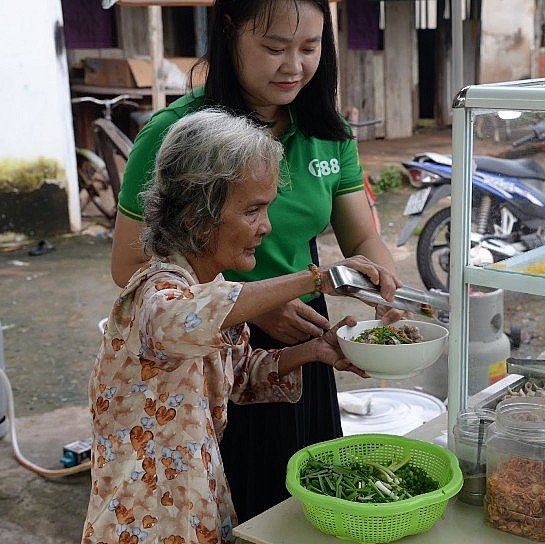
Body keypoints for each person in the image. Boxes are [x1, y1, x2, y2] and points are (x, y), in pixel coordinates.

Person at [110, 0, 406, 522]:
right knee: (234, 500)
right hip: (209, 342)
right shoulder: (177, 133)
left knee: (310, 498)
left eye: (309, 48)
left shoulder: (324, 129)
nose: (293, 66)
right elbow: (130, 266)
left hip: (302, 344)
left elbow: (364, 238)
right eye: (274, 47)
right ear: (230, 33)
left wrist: (380, 293)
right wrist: (259, 306)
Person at [83, 109, 400, 544]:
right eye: (253, 210)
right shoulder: (156, 292)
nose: (265, 228)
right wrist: (316, 277)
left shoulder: (208, 288)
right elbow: (177, 320)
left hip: (198, 504)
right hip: (143, 523)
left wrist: (314, 351)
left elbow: (240, 374)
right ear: (197, 214)